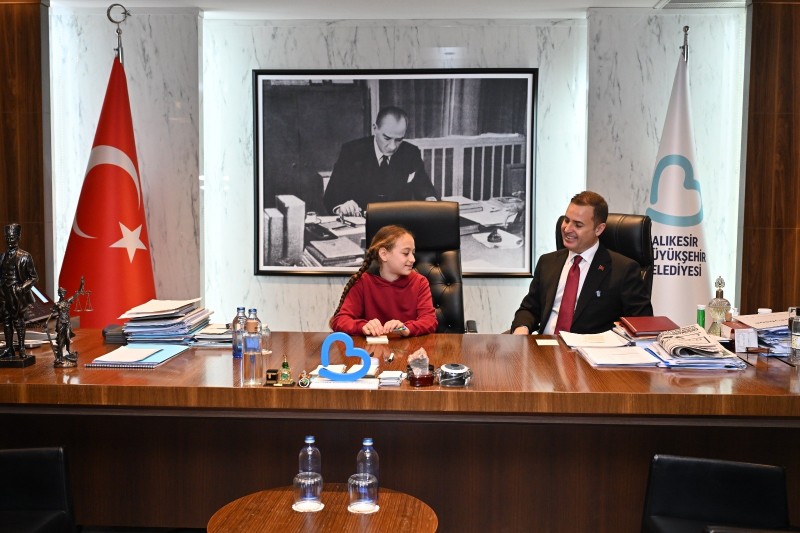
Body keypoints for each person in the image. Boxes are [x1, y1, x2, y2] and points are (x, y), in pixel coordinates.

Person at [510, 191, 652, 335]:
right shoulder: (547, 262)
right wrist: (522, 328)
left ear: (599, 229)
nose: (567, 229)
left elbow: (642, 325)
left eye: (578, 225)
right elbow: (529, 309)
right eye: (566, 220)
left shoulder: (623, 270)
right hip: (543, 345)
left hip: (590, 348)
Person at [323, 106, 439, 216]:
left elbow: (425, 188)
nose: (392, 146)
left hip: (397, 223)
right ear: (375, 128)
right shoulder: (352, 152)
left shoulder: (411, 153)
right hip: (361, 224)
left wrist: (430, 199)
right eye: (387, 138)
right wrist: (342, 207)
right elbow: (331, 196)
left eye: (399, 140)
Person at [330, 225, 437, 336]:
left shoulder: (420, 282)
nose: (413, 259)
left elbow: (430, 321)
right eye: (406, 253)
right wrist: (363, 327)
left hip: (409, 346)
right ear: (384, 254)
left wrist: (405, 328)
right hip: (372, 347)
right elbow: (339, 321)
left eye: (413, 253)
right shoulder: (363, 282)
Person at [0, 223, 39, 358]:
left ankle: (22, 348)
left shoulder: (25, 256)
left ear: (18, 237)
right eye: (7, 238)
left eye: (12, 238)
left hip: (17, 294)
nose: (10, 241)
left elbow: (34, 277)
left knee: (18, 321)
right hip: (4, 294)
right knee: (6, 321)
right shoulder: (2, 257)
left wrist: (21, 288)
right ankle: (9, 348)